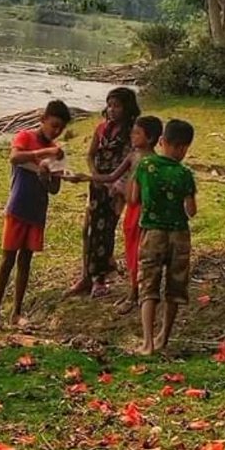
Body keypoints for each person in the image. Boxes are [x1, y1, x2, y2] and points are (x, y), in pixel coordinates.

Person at [0, 99, 73, 333]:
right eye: (53, 125)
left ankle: (17, 312)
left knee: (25, 261)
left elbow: (54, 189)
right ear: (43, 119)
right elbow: (14, 158)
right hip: (17, 207)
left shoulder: (57, 153)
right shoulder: (25, 137)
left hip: (37, 211)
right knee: (7, 261)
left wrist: (47, 174)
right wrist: (44, 153)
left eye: (60, 128)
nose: (56, 131)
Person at [69, 87, 141, 299]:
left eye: (116, 106)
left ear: (127, 108)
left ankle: (99, 279)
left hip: (116, 189)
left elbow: (131, 164)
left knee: (104, 232)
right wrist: (94, 175)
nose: (111, 110)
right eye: (109, 105)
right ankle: (86, 275)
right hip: (96, 185)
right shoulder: (101, 129)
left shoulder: (132, 133)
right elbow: (90, 156)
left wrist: (115, 185)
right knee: (88, 230)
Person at [133, 118, 198, 355]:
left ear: (162, 141)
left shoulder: (146, 166)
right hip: (179, 234)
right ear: (184, 147)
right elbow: (191, 211)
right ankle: (164, 338)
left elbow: (133, 197)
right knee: (175, 287)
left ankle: (147, 342)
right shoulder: (185, 174)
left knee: (148, 285)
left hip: (153, 232)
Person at [91, 115, 163, 313]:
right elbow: (112, 175)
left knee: (138, 253)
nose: (132, 135)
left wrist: (122, 191)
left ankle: (134, 295)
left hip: (142, 210)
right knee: (131, 249)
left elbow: (143, 194)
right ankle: (135, 291)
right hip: (132, 210)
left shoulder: (151, 162)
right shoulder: (133, 155)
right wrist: (86, 177)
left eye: (137, 133)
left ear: (149, 138)